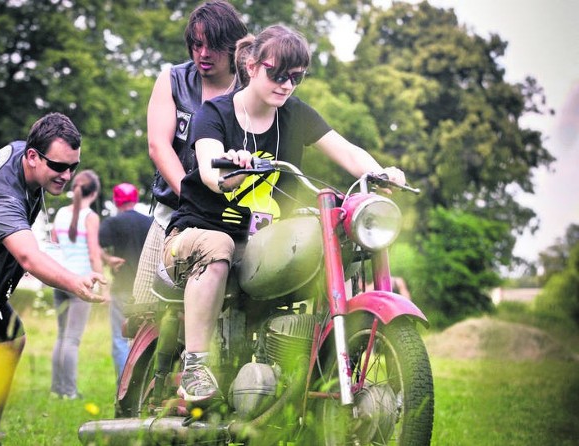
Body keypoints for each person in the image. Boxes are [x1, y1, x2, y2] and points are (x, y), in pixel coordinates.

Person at [162, 25, 407, 404]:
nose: (286, 85)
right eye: (277, 74)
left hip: (262, 242)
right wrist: (231, 169)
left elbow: (346, 150)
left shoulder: (295, 115)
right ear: (251, 64)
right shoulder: (215, 113)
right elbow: (210, 170)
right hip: (197, 235)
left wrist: (379, 171)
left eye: (296, 77)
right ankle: (195, 366)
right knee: (219, 244)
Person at [0, 112, 107, 446]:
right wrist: (76, 284)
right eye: (58, 166)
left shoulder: (23, 155)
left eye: (73, 166)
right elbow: (28, 256)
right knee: (10, 338)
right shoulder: (2, 198)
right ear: (32, 156)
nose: (67, 175)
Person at [131, 0, 247, 306]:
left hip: (234, 221)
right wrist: (192, 197)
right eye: (196, 45)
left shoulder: (249, 90)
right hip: (172, 214)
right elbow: (158, 146)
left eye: (214, 46)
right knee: (143, 312)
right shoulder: (172, 79)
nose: (203, 54)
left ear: (234, 45)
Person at [50, 169, 103, 400]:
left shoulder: (61, 213)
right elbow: (93, 254)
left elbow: (53, 243)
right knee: (72, 339)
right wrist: (101, 282)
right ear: (95, 193)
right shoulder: (90, 217)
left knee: (62, 336)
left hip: (59, 279)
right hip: (81, 282)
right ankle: (70, 392)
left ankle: (56, 390)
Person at [99, 183, 152, 379]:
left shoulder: (112, 223)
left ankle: (123, 389)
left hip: (122, 288)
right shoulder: (150, 222)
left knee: (121, 339)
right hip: (148, 291)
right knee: (145, 339)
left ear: (116, 200)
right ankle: (142, 385)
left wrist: (108, 259)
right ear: (136, 199)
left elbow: (94, 247)